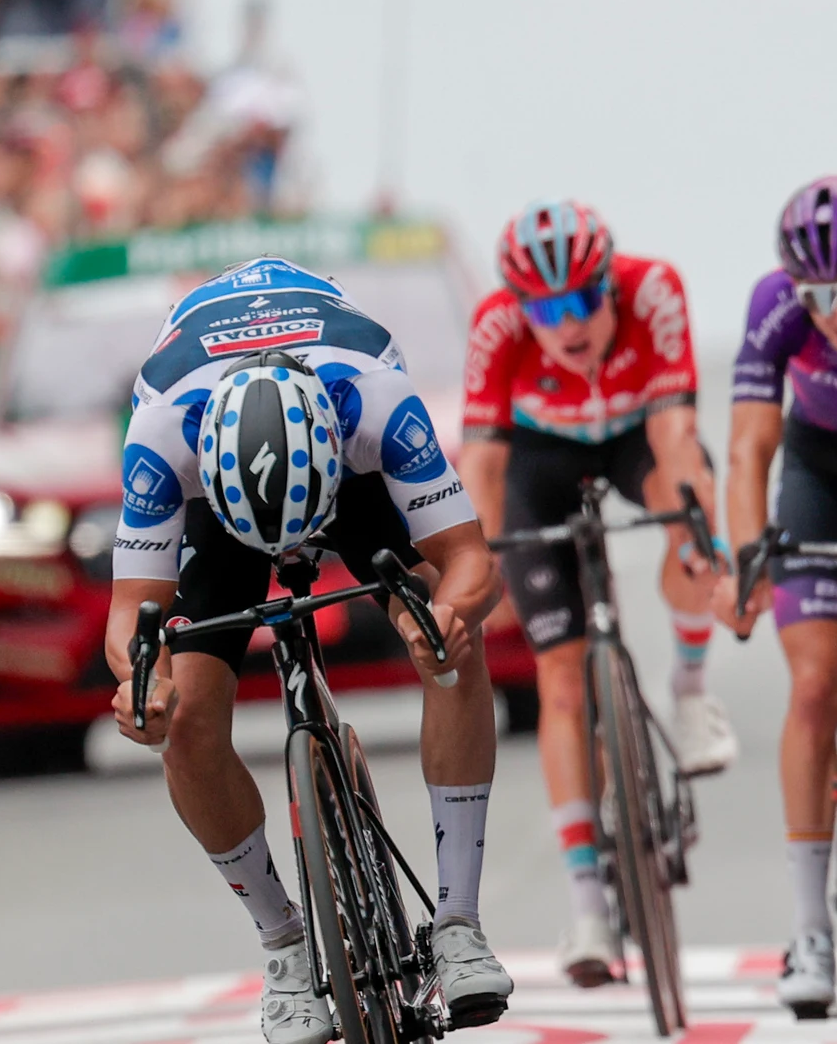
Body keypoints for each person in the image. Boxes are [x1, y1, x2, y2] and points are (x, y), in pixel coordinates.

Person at [105, 257, 514, 1043]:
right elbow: (132, 614)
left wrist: (447, 617)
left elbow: (471, 561)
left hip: (348, 482)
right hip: (218, 512)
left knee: (449, 639)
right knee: (185, 720)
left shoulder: (377, 405)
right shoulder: (162, 435)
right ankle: (285, 947)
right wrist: (140, 684)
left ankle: (458, 924)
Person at [461, 200, 733, 987]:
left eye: (584, 300)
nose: (569, 323)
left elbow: (676, 434)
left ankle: (687, 691)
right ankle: (587, 901)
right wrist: (478, 567)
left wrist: (697, 529)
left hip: (633, 437)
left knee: (692, 508)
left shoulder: (654, 292)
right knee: (559, 675)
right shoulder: (494, 329)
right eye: (545, 310)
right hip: (539, 460)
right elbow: (480, 468)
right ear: (519, 310)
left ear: (610, 285)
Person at [714, 176, 837, 1016]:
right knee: (817, 684)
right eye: (824, 298)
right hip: (820, 472)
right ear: (796, 290)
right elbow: (750, 448)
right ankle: (809, 926)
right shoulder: (773, 307)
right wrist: (746, 558)